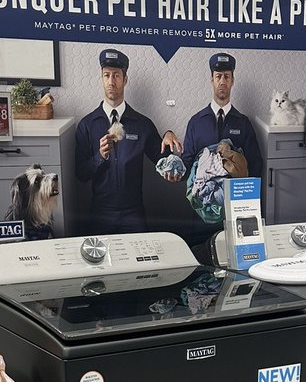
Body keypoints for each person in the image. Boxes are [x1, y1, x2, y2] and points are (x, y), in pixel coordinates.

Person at [75, 48, 182, 234]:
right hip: (100, 213)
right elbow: (81, 174)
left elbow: (162, 159)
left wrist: (169, 133)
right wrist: (99, 156)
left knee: (143, 261)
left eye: (116, 75)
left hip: (133, 213)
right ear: (101, 78)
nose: (111, 81)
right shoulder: (87, 125)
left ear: (125, 80)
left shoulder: (143, 124)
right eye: (106, 75)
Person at [179, 52, 264, 254]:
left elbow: (255, 167)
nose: (222, 82)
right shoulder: (196, 122)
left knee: (233, 264)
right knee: (201, 263)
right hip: (202, 214)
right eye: (218, 76)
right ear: (211, 79)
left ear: (232, 80)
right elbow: (187, 163)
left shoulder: (243, 123)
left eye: (226, 76)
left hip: (234, 216)